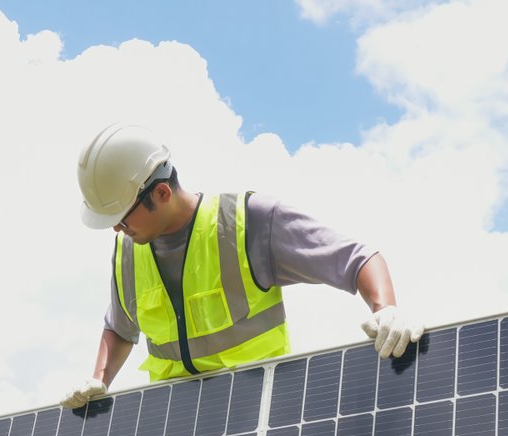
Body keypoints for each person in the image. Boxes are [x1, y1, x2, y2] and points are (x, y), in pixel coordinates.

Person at [61, 122, 424, 409]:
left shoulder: (248, 224)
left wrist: (386, 308)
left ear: (161, 193)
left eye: (122, 217)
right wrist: (99, 379)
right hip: (177, 431)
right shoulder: (128, 253)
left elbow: (356, 258)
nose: (117, 228)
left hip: (262, 417)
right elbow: (120, 328)